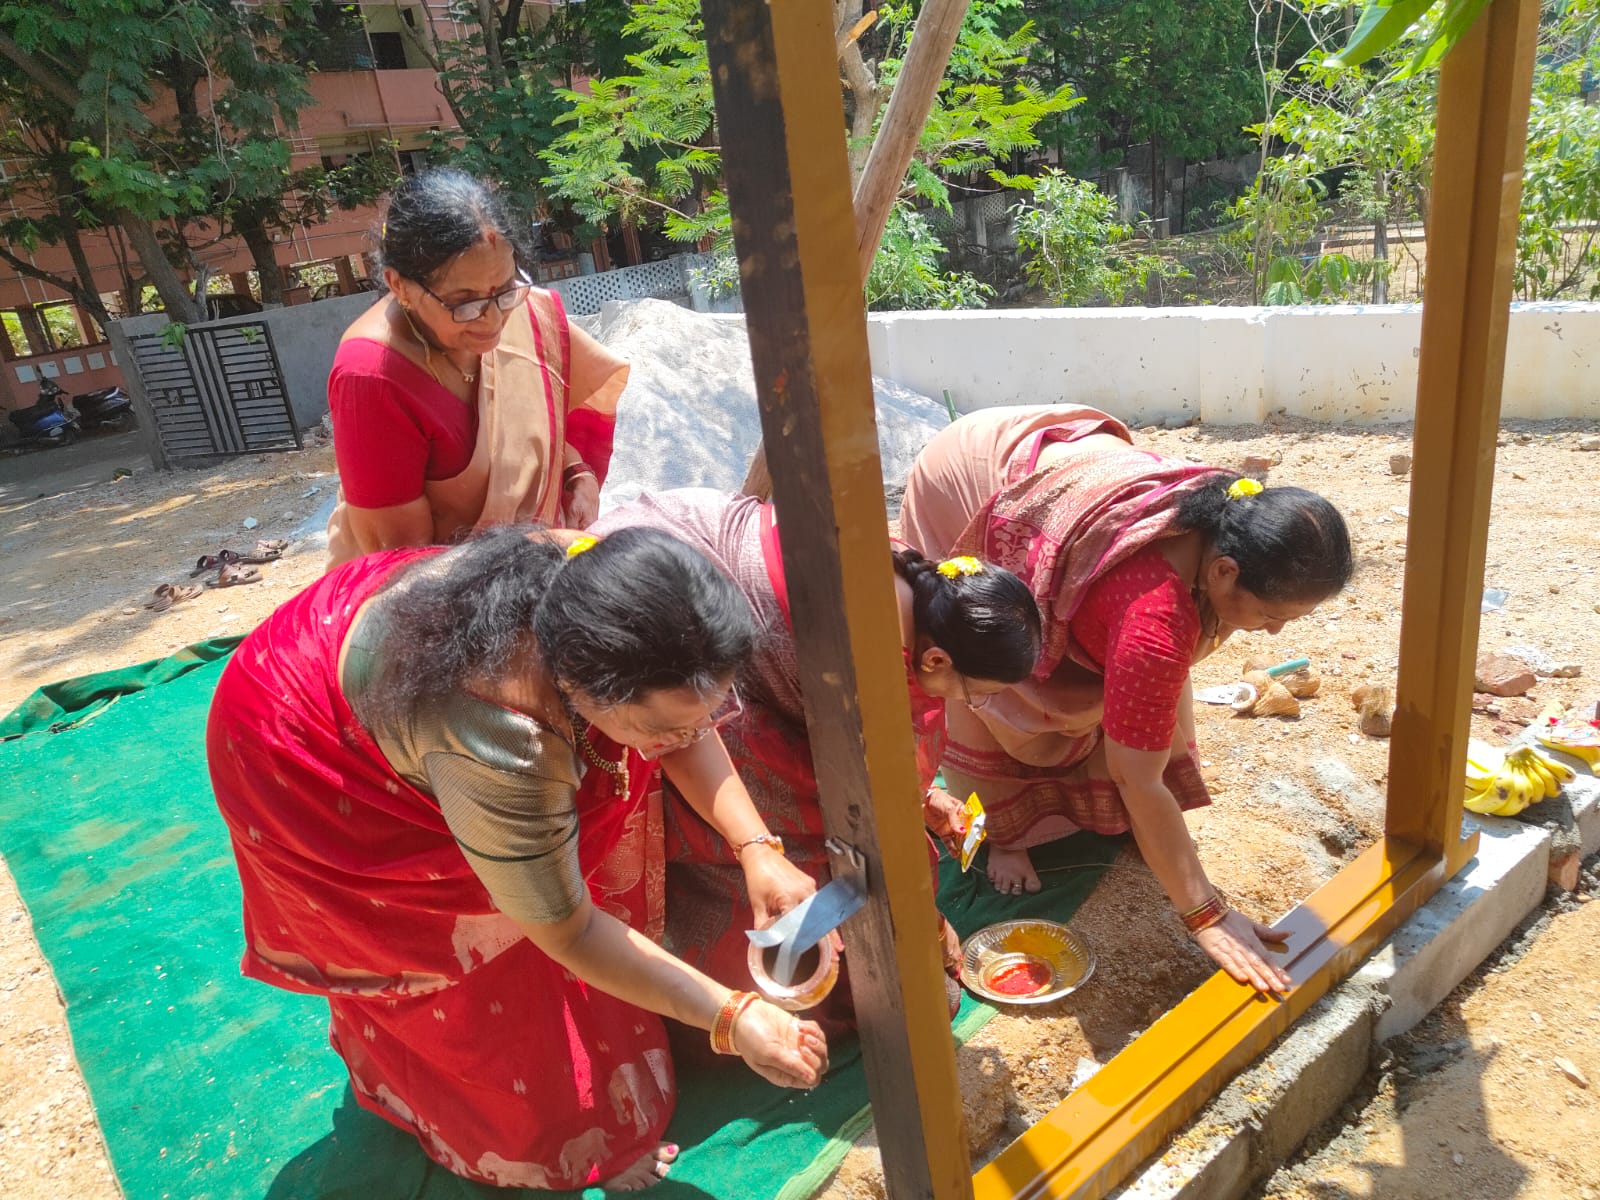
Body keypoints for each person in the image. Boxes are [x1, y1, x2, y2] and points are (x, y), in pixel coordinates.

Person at [207, 526, 828, 1190]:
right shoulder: (503, 740)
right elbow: (570, 929)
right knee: (465, 943)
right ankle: (463, 1102)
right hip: (303, 749)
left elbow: (682, 726)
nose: (684, 741)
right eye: (659, 731)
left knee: (545, 890)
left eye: (700, 719)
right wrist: (731, 1017)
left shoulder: (604, 592)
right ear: (585, 690)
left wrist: (757, 849)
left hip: (390, 658)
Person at [899, 406, 1353, 994]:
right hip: (970, 478)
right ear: (1221, 570)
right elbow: (1142, 777)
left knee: (1126, 697)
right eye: (1269, 615)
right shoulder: (1154, 618)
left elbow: (1143, 712)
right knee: (992, 667)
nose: (1273, 636)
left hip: (1052, 463)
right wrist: (1206, 914)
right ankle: (1008, 834)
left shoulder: (1231, 510)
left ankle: (1107, 818)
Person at [591, 489, 1042, 1028]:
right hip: (642, 619)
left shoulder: (923, 588)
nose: (969, 706)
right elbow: (862, 812)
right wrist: (920, 917)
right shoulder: (850, 659)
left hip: (685, 581)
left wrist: (923, 796)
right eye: (974, 693)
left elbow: (887, 763)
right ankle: (728, 1004)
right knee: (806, 855)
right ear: (937, 657)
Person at [323, 168, 627, 569]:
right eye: (463, 302)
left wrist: (577, 474)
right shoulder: (372, 377)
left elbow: (541, 420)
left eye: (503, 289)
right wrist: (544, 548)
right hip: (434, 604)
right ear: (399, 285)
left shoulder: (523, 311)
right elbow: (405, 570)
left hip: (527, 575)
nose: (490, 321)